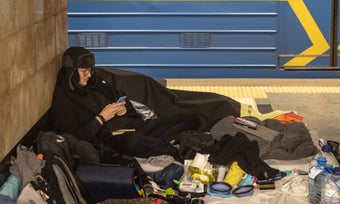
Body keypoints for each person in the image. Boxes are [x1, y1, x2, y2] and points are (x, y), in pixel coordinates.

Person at [50, 46, 227, 161]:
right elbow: (75, 137)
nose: (88, 75)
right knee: (137, 142)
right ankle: (182, 154)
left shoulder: (96, 83)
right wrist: (101, 118)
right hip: (114, 138)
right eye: (83, 72)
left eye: (89, 70)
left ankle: (163, 140)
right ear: (71, 72)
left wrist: (123, 109)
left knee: (191, 118)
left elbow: (123, 99)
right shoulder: (65, 102)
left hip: (137, 125)